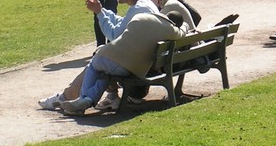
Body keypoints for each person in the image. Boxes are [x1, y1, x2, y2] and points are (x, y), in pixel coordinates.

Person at [38, 0, 158, 112]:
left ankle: (74, 97)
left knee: (97, 60)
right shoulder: (144, 4)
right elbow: (122, 22)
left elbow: (113, 34)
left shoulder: (137, 10)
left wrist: (99, 13)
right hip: (147, 59)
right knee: (102, 64)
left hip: (135, 64)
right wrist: (103, 11)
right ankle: (86, 98)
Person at [59, 11, 191, 116]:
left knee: (97, 69)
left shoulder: (141, 16)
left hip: (106, 56)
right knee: (108, 73)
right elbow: (182, 33)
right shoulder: (170, 29)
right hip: (129, 67)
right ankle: (86, 100)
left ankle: (85, 99)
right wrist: (185, 25)